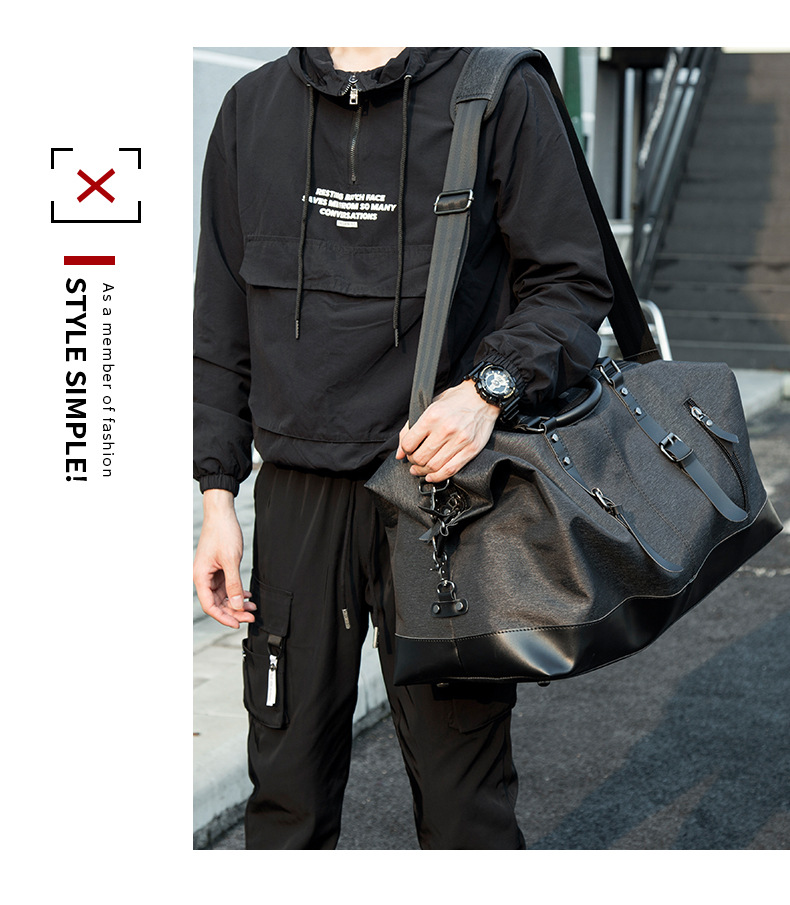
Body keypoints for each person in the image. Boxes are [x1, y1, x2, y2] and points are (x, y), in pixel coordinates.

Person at [193, 46, 612, 850]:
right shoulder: (251, 108)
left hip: (446, 493)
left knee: (464, 805)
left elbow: (571, 282)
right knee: (284, 795)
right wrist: (218, 496)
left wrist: (488, 389)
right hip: (298, 498)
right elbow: (220, 316)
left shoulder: (498, 91)